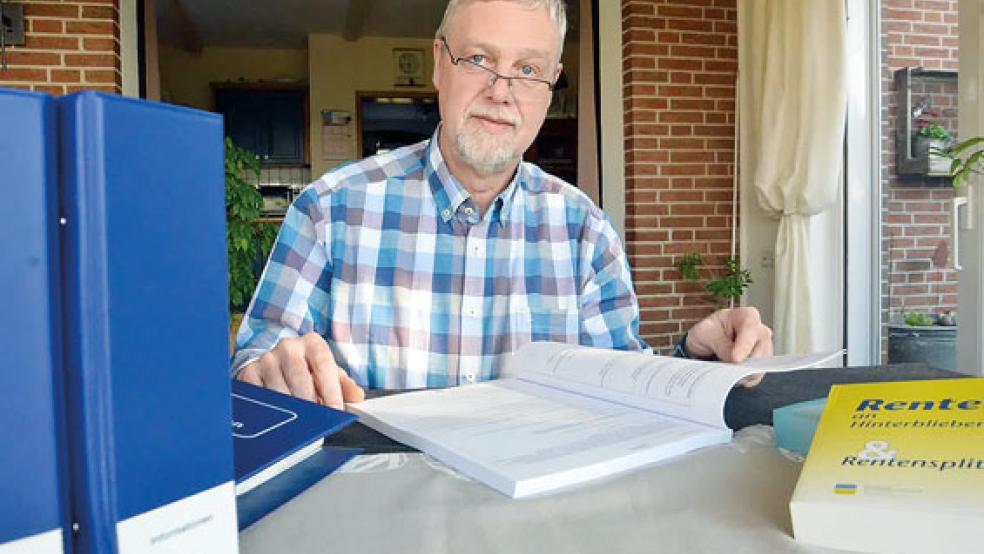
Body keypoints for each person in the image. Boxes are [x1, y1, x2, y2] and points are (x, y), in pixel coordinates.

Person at [232, 0, 773, 409]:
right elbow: (252, 374)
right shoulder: (329, 210)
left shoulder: (586, 232)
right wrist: (270, 374)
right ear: (439, 63)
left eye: (529, 70)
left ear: (550, 87)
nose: (502, 90)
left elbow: (623, 392)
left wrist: (693, 360)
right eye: (479, 59)